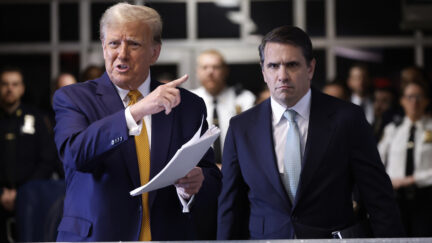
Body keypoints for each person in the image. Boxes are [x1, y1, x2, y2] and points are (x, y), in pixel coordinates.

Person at [52, 3, 221, 241]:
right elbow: (74, 154)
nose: (121, 53)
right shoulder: (73, 98)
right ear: (103, 47)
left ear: (154, 52)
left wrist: (196, 183)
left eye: (133, 44)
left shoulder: (188, 105)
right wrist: (136, 111)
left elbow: (211, 177)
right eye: (113, 43)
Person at [217, 26, 404, 239]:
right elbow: (230, 205)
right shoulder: (241, 128)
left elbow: (378, 197)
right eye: (273, 65)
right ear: (263, 71)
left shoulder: (347, 119)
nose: (282, 75)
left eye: (292, 65)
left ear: (310, 68)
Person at [0, 67, 58, 242]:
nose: (10, 89)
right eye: (5, 84)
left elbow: (48, 159)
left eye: (15, 84)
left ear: (22, 88)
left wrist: (24, 191)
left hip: (30, 198)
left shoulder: (36, 117)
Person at [378, 80, 432, 237]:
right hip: (395, 198)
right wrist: (387, 181)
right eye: (409, 97)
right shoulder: (393, 129)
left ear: (427, 100)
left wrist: (412, 179)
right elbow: (378, 161)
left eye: (418, 97)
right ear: (402, 101)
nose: (414, 102)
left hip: (425, 196)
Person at [191, 49, 255, 166]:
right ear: (197, 71)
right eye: (205, 67)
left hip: (237, 168)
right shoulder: (190, 100)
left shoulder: (244, 99)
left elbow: (251, 141)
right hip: (200, 172)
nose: (210, 72)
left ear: (225, 71)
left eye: (216, 67)